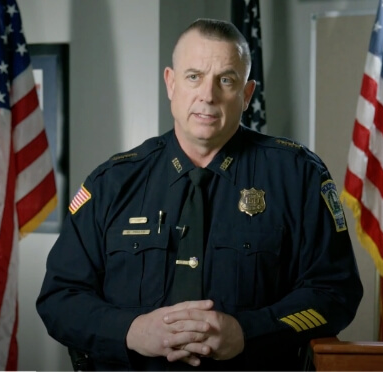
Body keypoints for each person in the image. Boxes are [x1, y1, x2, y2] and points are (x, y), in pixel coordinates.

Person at [36, 18, 363, 370]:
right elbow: (60, 298)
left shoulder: (298, 176)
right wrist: (132, 331)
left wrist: (247, 332)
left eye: (226, 79)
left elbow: (335, 292)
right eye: (194, 77)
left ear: (247, 93)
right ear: (171, 83)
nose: (208, 95)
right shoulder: (112, 183)